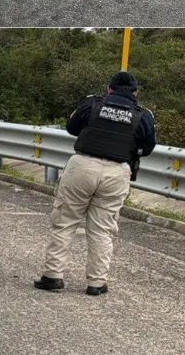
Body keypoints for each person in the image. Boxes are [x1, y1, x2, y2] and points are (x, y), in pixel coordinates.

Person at [35, 71, 156, 296]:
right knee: (102, 230)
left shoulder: (93, 103)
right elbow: (147, 147)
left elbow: (72, 127)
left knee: (65, 222)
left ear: (109, 88)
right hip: (117, 172)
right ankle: (97, 283)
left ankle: (53, 276)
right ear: (136, 93)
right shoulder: (143, 115)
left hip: (83, 165)